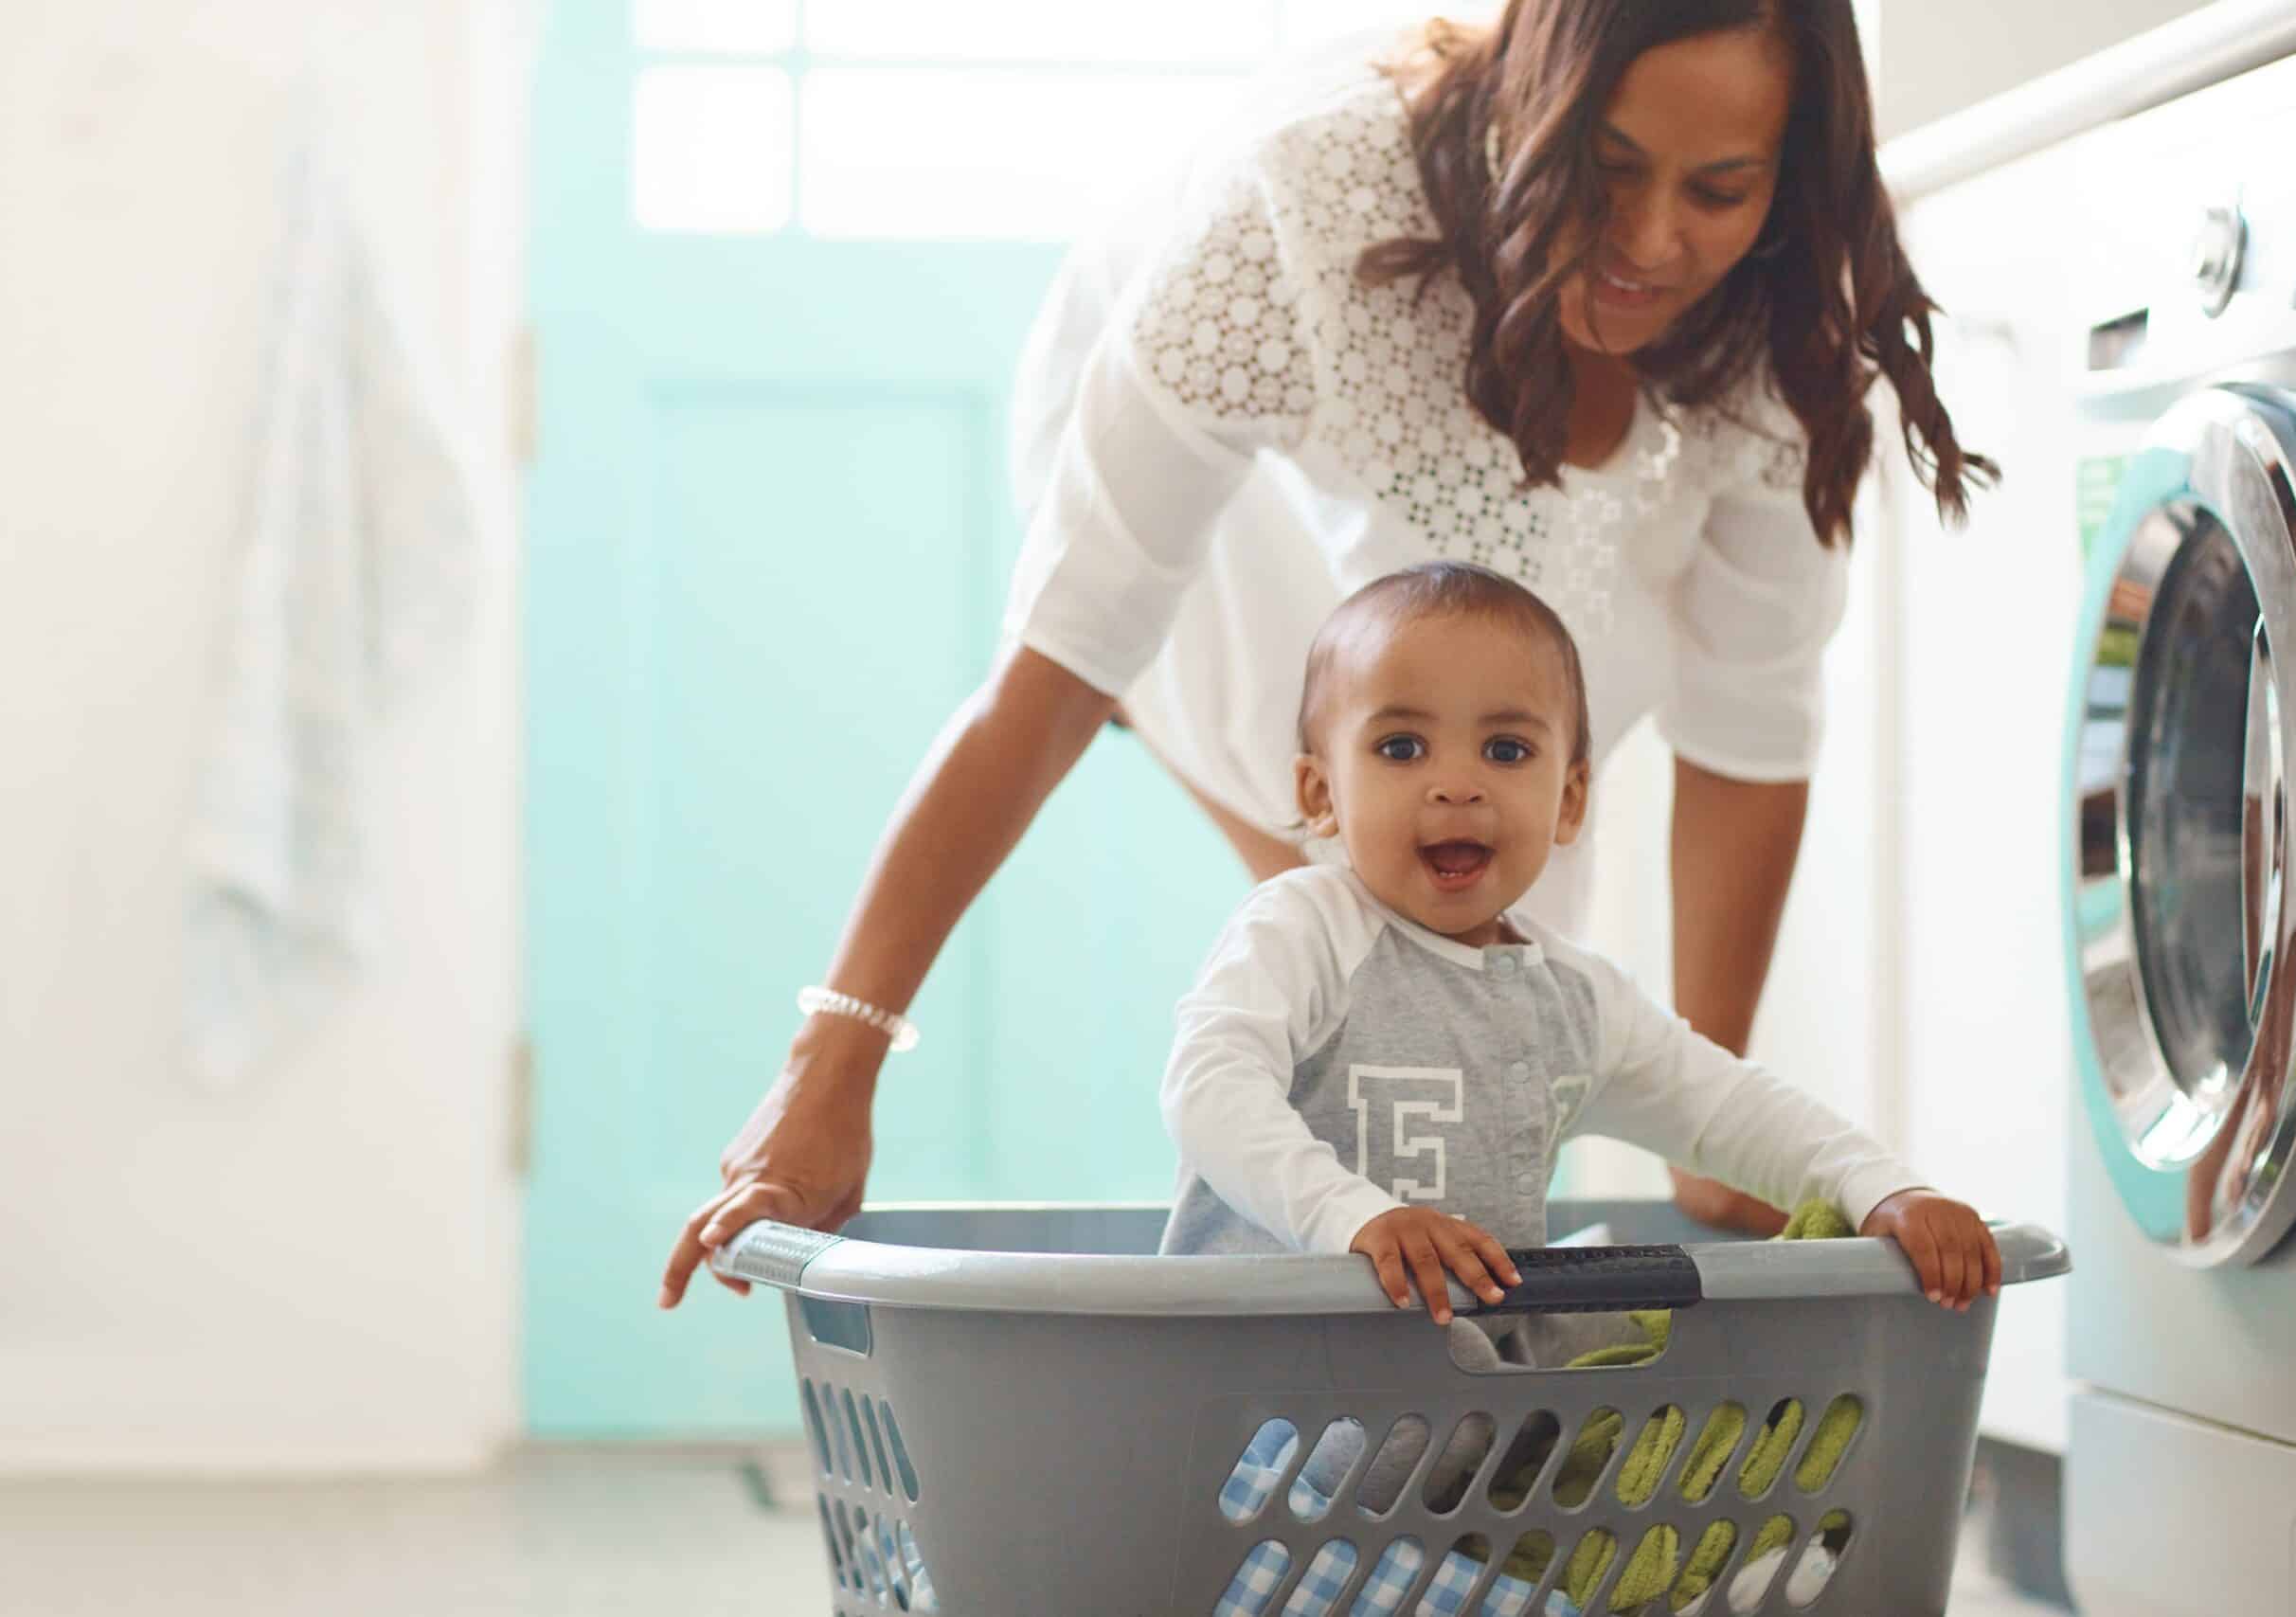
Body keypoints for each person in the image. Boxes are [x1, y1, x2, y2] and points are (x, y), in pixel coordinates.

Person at [660, 0, 1996, 1307]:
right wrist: (833, 1064)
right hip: (1241, 514)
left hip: (1486, 615)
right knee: (1365, 939)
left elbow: (1751, 729)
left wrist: (1732, 1160)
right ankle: (1310, 1331)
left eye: (1718, 186)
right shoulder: (1296, 216)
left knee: (1488, 980)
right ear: (1537, 106)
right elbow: (1051, 679)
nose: (1653, 237)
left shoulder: (1779, 305)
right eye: (1609, 170)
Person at [1157, 561, 2000, 1326]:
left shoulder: (1570, 1003)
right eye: (1401, 747)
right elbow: (1210, 1091)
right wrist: (1353, 1217)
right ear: (1320, 793)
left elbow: (1729, 1109)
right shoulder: (1302, 929)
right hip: (1253, 1414)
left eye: (1506, 749)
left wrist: (1883, 1184)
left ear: (1568, 801)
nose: (1457, 783)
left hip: (1461, 1442)